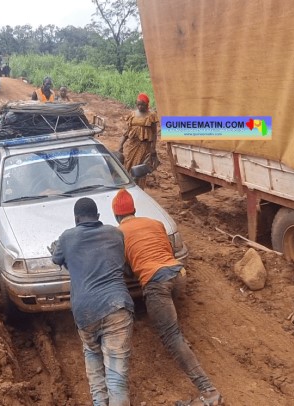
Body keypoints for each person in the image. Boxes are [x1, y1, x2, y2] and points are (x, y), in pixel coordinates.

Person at [111, 188, 224, 406]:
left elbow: (123, 268)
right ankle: (184, 348)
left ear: (116, 215)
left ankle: (209, 392)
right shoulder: (155, 223)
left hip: (156, 282)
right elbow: (168, 250)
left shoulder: (118, 234)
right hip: (178, 273)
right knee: (173, 330)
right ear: (134, 210)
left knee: (170, 336)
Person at [51, 197, 134, 406]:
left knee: (92, 353)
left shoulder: (67, 237)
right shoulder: (115, 233)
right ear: (98, 217)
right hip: (117, 307)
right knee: (116, 378)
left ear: (76, 219)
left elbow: (56, 258)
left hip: (84, 311)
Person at [118, 93, 159, 188]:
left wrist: (153, 148)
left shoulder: (151, 115)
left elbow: (154, 133)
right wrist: (121, 145)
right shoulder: (132, 114)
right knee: (128, 164)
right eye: (138, 104)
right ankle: (128, 186)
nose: (140, 107)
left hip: (144, 146)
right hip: (132, 145)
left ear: (147, 105)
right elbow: (127, 132)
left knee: (139, 167)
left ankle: (139, 187)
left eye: (143, 105)